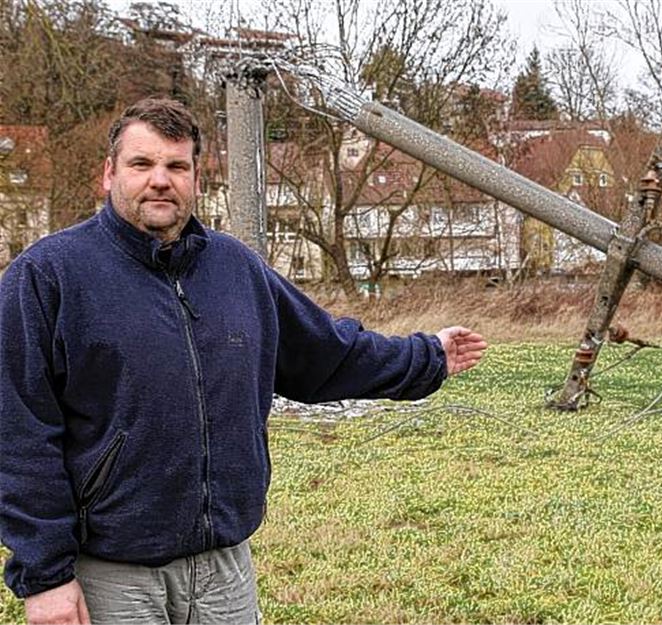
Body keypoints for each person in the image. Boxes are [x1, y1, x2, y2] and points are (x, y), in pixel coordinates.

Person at [0, 97, 487, 624]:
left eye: (176, 166)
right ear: (108, 173)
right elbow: (17, 433)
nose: (160, 180)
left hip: (223, 570)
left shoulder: (236, 269)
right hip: (111, 572)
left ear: (196, 181)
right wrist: (45, 576)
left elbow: (327, 354)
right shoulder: (48, 277)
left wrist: (427, 356)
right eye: (142, 164)